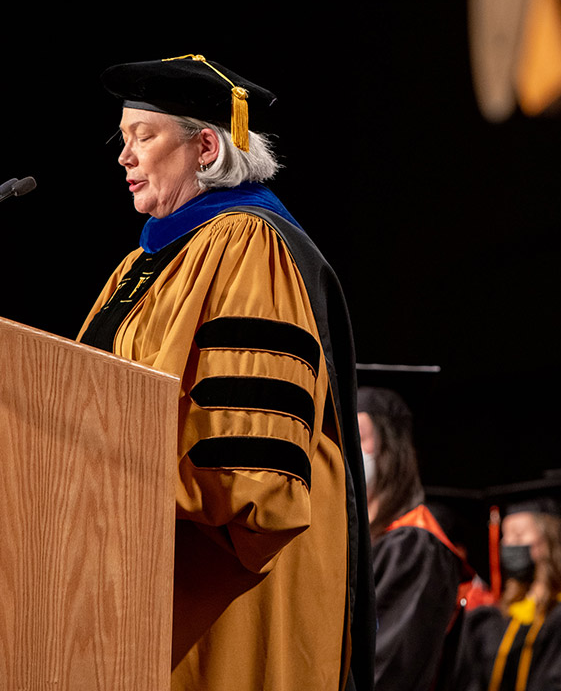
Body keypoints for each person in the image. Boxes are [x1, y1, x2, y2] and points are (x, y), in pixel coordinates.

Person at [77, 54, 374, 691]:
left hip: (220, 578)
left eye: (143, 137)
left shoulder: (249, 244)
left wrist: (119, 487)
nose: (124, 157)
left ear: (206, 145)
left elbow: (249, 469)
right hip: (139, 555)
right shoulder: (139, 267)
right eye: (122, 140)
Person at [359, 386, 471, 691]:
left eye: (358, 439)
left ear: (389, 448)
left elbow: (388, 666)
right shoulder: (356, 540)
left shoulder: (414, 546)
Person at [451, 497, 561, 691]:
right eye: (505, 536)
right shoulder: (498, 616)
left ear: (548, 541)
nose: (509, 544)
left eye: (518, 536)